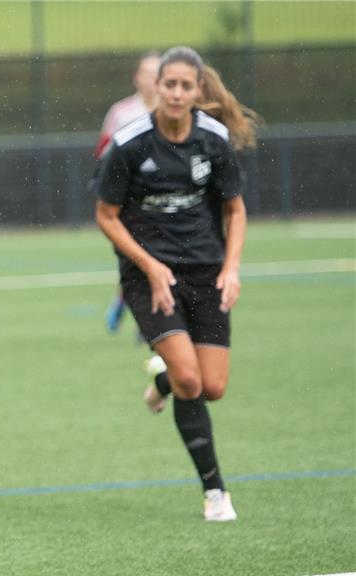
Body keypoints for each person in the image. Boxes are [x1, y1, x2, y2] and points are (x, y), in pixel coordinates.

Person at [94, 46, 259, 523]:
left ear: (198, 90)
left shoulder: (213, 140)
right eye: (170, 84)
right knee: (192, 379)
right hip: (150, 278)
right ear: (157, 87)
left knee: (214, 386)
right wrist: (148, 266)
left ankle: (161, 381)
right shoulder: (129, 143)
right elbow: (106, 216)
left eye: (187, 86)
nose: (177, 93)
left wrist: (231, 268)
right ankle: (216, 493)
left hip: (206, 271)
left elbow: (235, 209)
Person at [97, 52, 161, 333]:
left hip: (163, 198)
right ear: (137, 78)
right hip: (129, 198)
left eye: (158, 73)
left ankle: (148, 308)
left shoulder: (173, 110)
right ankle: (130, 300)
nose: (152, 79)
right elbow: (103, 152)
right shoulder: (122, 112)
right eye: (147, 73)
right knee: (135, 251)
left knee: (161, 250)